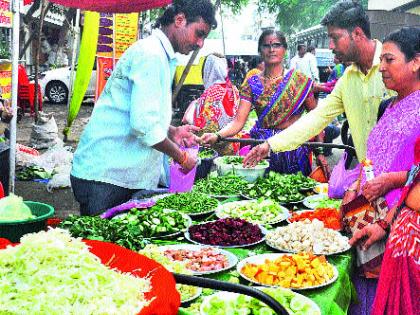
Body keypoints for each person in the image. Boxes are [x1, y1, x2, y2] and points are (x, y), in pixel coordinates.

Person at [70, 0, 217, 216]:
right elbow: (144, 126)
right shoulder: (151, 55)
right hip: (105, 176)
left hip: (118, 174)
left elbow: (142, 110)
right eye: (199, 33)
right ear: (179, 20)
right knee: (104, 245)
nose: (200, 43)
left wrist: (172, 131)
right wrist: (182, 158)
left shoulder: (160, 56)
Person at [244, 0, 391, 170]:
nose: (330, 46)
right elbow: (316, 118)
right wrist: (270, 145)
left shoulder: (397, 66)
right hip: (369, 173)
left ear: (357, 34)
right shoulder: (347, 80)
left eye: (334, 38)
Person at [347, 27, 420, 315]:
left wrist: (393, 180)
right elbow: (373, 155)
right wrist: (355, 186)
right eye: (382, 60)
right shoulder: (389, 105)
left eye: (390, 60)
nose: (381, 67)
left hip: (395, 217)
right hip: (365, 211)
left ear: (416, 61)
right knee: (363, 292)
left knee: (386, 298)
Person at [200, 29, 328, 176]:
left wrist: (320, 151)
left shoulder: (300, 81)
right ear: (260, 51)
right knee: (261, 194)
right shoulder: (251, 83)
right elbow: (238, 122)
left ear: (285, 50)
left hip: (293, 147)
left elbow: (317, 118)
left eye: (277, 45)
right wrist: (217, 135)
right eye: (266, 46)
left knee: (295, 194)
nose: (272, 49)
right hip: (261, 150)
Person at [183, 54, 240, 155]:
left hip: (216, 149)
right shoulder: (234, 89)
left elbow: (208, 126)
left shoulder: (212, 92)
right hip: (233, 144)